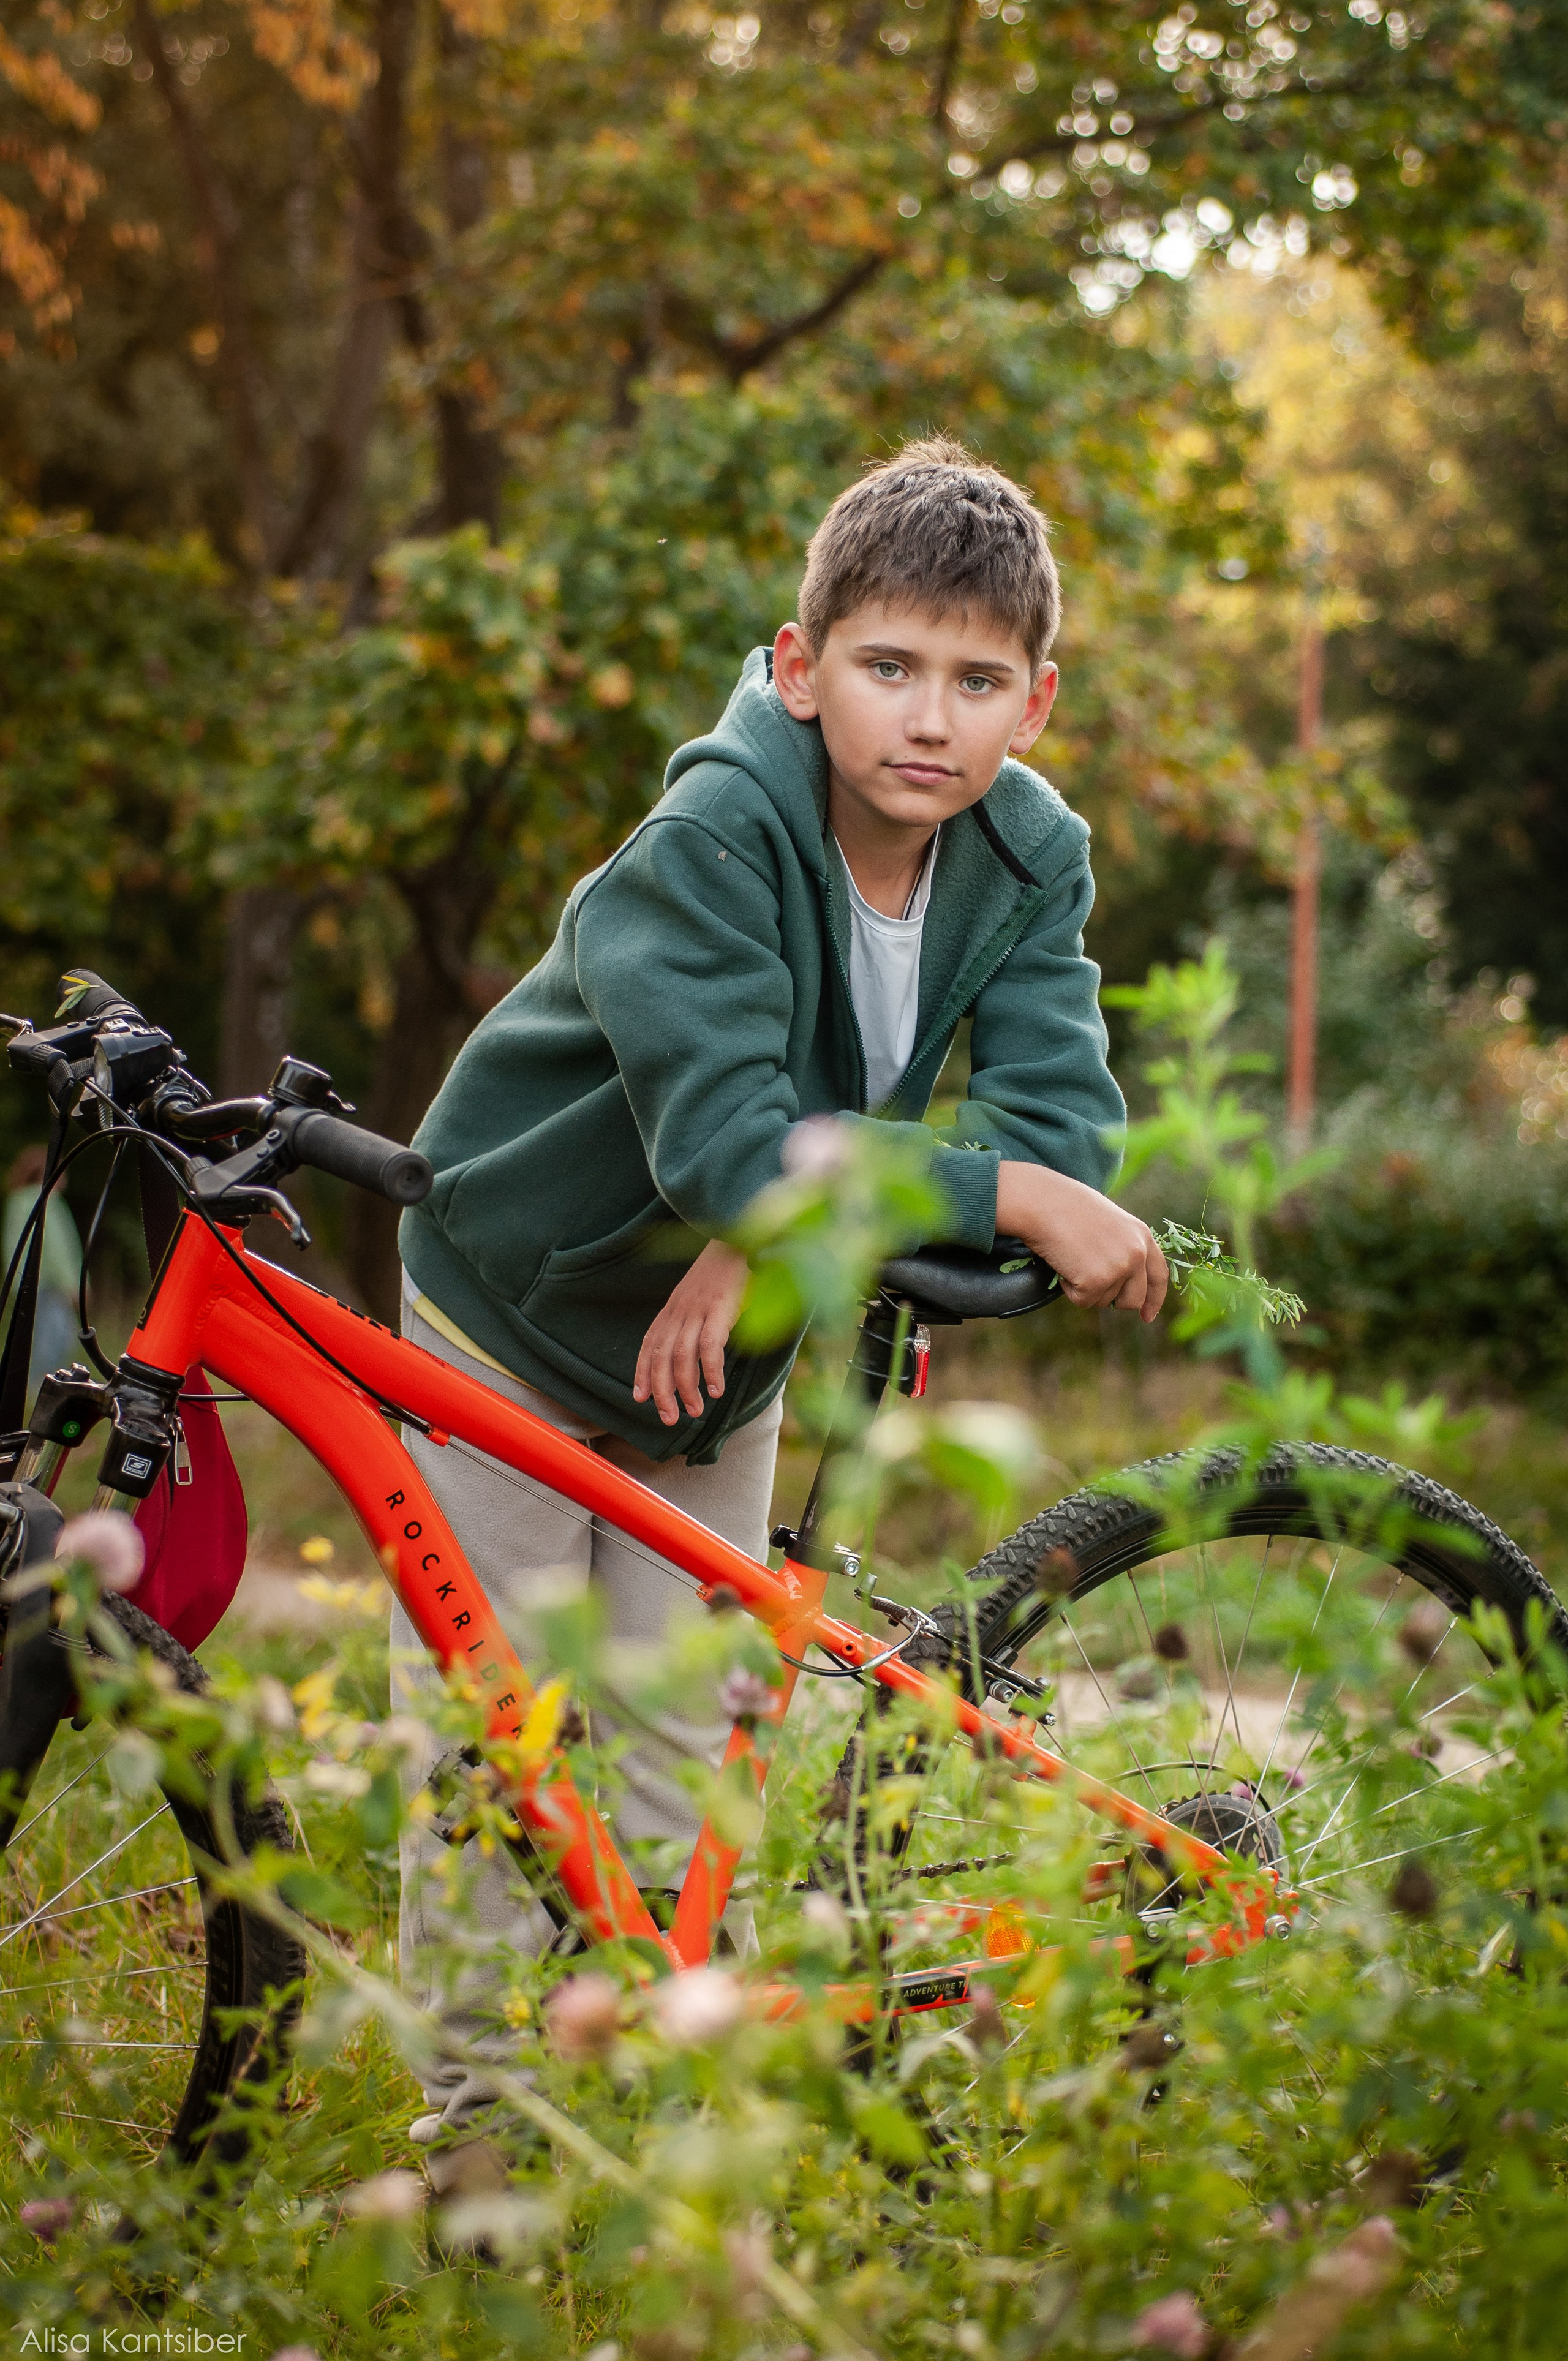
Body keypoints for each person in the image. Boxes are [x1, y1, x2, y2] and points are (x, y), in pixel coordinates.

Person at [393, 434, 1168, 2152]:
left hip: (722, 1336)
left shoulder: (1028, 855)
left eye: (977, 681)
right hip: (513, 1304)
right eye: (889, 665)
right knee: (492, 1745)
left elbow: (1058, 1118)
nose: (931, 718)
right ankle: (470, 2143)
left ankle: (687, 2133)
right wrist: (956, 1187)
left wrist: (783, 1220)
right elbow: (778, 1149)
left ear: (1034, 700)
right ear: (801, 666)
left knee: (684, 1729)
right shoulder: (715, 834)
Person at [2, 1145, 83, 1394]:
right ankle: (37, 1394)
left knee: (35, 1342)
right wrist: (75, 1285)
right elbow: (59, 1247)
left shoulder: (17, 1200)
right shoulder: (48, 1200)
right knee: (57, 1341)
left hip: (26, 1284)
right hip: (50, 1285)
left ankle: (26, 1394)